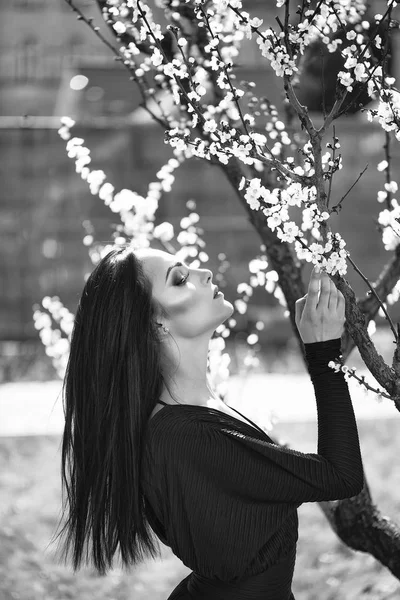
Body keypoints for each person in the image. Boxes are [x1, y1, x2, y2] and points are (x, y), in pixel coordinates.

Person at [52, 244, 363, 600]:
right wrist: (324, 354)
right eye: (181, 280)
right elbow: (341, 476)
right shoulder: (187, 437)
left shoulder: (189, 409)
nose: (205, 274)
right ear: (155, 323)